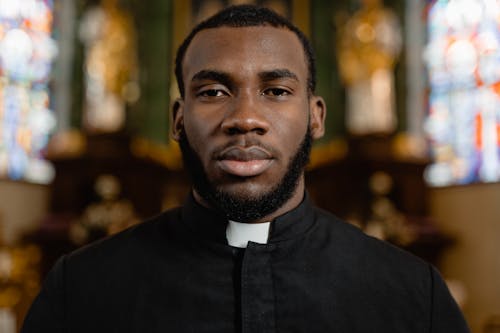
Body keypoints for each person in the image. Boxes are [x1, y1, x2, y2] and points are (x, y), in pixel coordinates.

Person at [22, 5, 470, 333]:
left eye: (275, 90)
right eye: (215, 91)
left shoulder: (413, 294)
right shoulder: (79, 289)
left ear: (316, 116)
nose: (245, 117)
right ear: (179, 120)